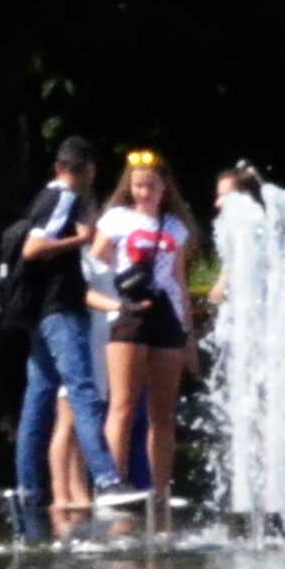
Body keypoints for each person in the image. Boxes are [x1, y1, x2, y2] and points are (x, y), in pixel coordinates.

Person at [89, 150, 197, 512]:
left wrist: (188, 335)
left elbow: (179, 282)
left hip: (166, 316)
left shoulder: (175, 227)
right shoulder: (117, 219)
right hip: (129, 313)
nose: (144, 192)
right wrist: (113, 295)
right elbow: (93, 263)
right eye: (137, 186)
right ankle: (113, 486)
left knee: (163, 412)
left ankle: (161, 492)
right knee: (122, 404)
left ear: (164, 188)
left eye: (150, 186)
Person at [7, 139, 107, 525]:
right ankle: (108, 477)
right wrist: (80, 239)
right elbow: (34, 249)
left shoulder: (42, 199)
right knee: (82, 390)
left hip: (44, 314)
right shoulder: (65, 197)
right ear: (89, 170)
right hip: (60, 312)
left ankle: (28, 488)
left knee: (37, 400)